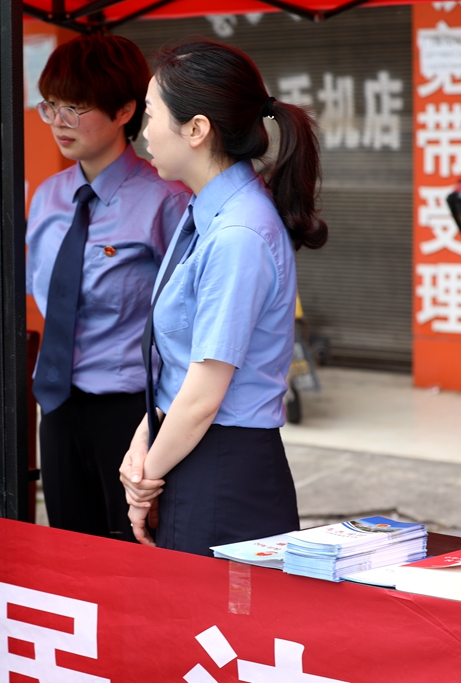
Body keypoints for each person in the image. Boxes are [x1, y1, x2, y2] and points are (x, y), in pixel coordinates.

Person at [119, 39, 328, 556]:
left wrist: (144, 478)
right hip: (189, 454)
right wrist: (142, 446)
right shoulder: (206, 212)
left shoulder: (238, 232)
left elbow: (203, 397)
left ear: (196, 129)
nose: (143, 131)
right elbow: (180, 372)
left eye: (151, 114)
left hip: (224, 473)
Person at [26, 34, 190, 542]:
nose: (58, 122)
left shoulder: (166, 201)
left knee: (134, 552)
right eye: (50, 105)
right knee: (69, 551)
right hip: (57, 405)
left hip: (130, 411)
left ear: (124, 111)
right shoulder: (47, 196)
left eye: (75, 108)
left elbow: (187, 321)